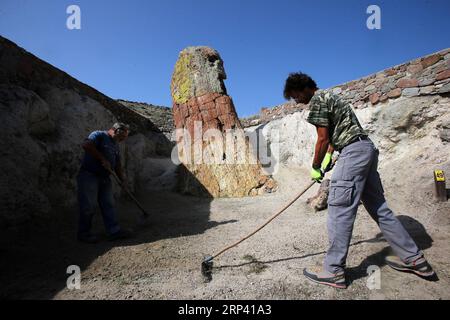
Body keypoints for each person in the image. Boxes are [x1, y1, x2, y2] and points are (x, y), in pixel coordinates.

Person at [283, 72, 435, 289]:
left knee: (339, 208)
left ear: (303, 87)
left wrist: (316, 166)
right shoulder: (334, 98)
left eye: (295, 95)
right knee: (379, 208)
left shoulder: (317, 100)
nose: (296, 100)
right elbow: (338, 136)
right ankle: (414, 259)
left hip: (353, 153)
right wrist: (328, 158)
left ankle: (333, 270)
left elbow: (323, 138)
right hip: (366, 149)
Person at [77, 122, 133, 243]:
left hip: (104, 178)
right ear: (115, 130)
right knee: (88, 206)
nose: (122, 140)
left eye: (124, 138)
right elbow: (86, 145)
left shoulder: (115, 145)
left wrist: (122, 180)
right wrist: (102, 158)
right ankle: (84, 234)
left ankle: (114, 231)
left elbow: (117, 164)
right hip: (89, 175)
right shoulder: (98, 135)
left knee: (109, 205)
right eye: (122, 137)